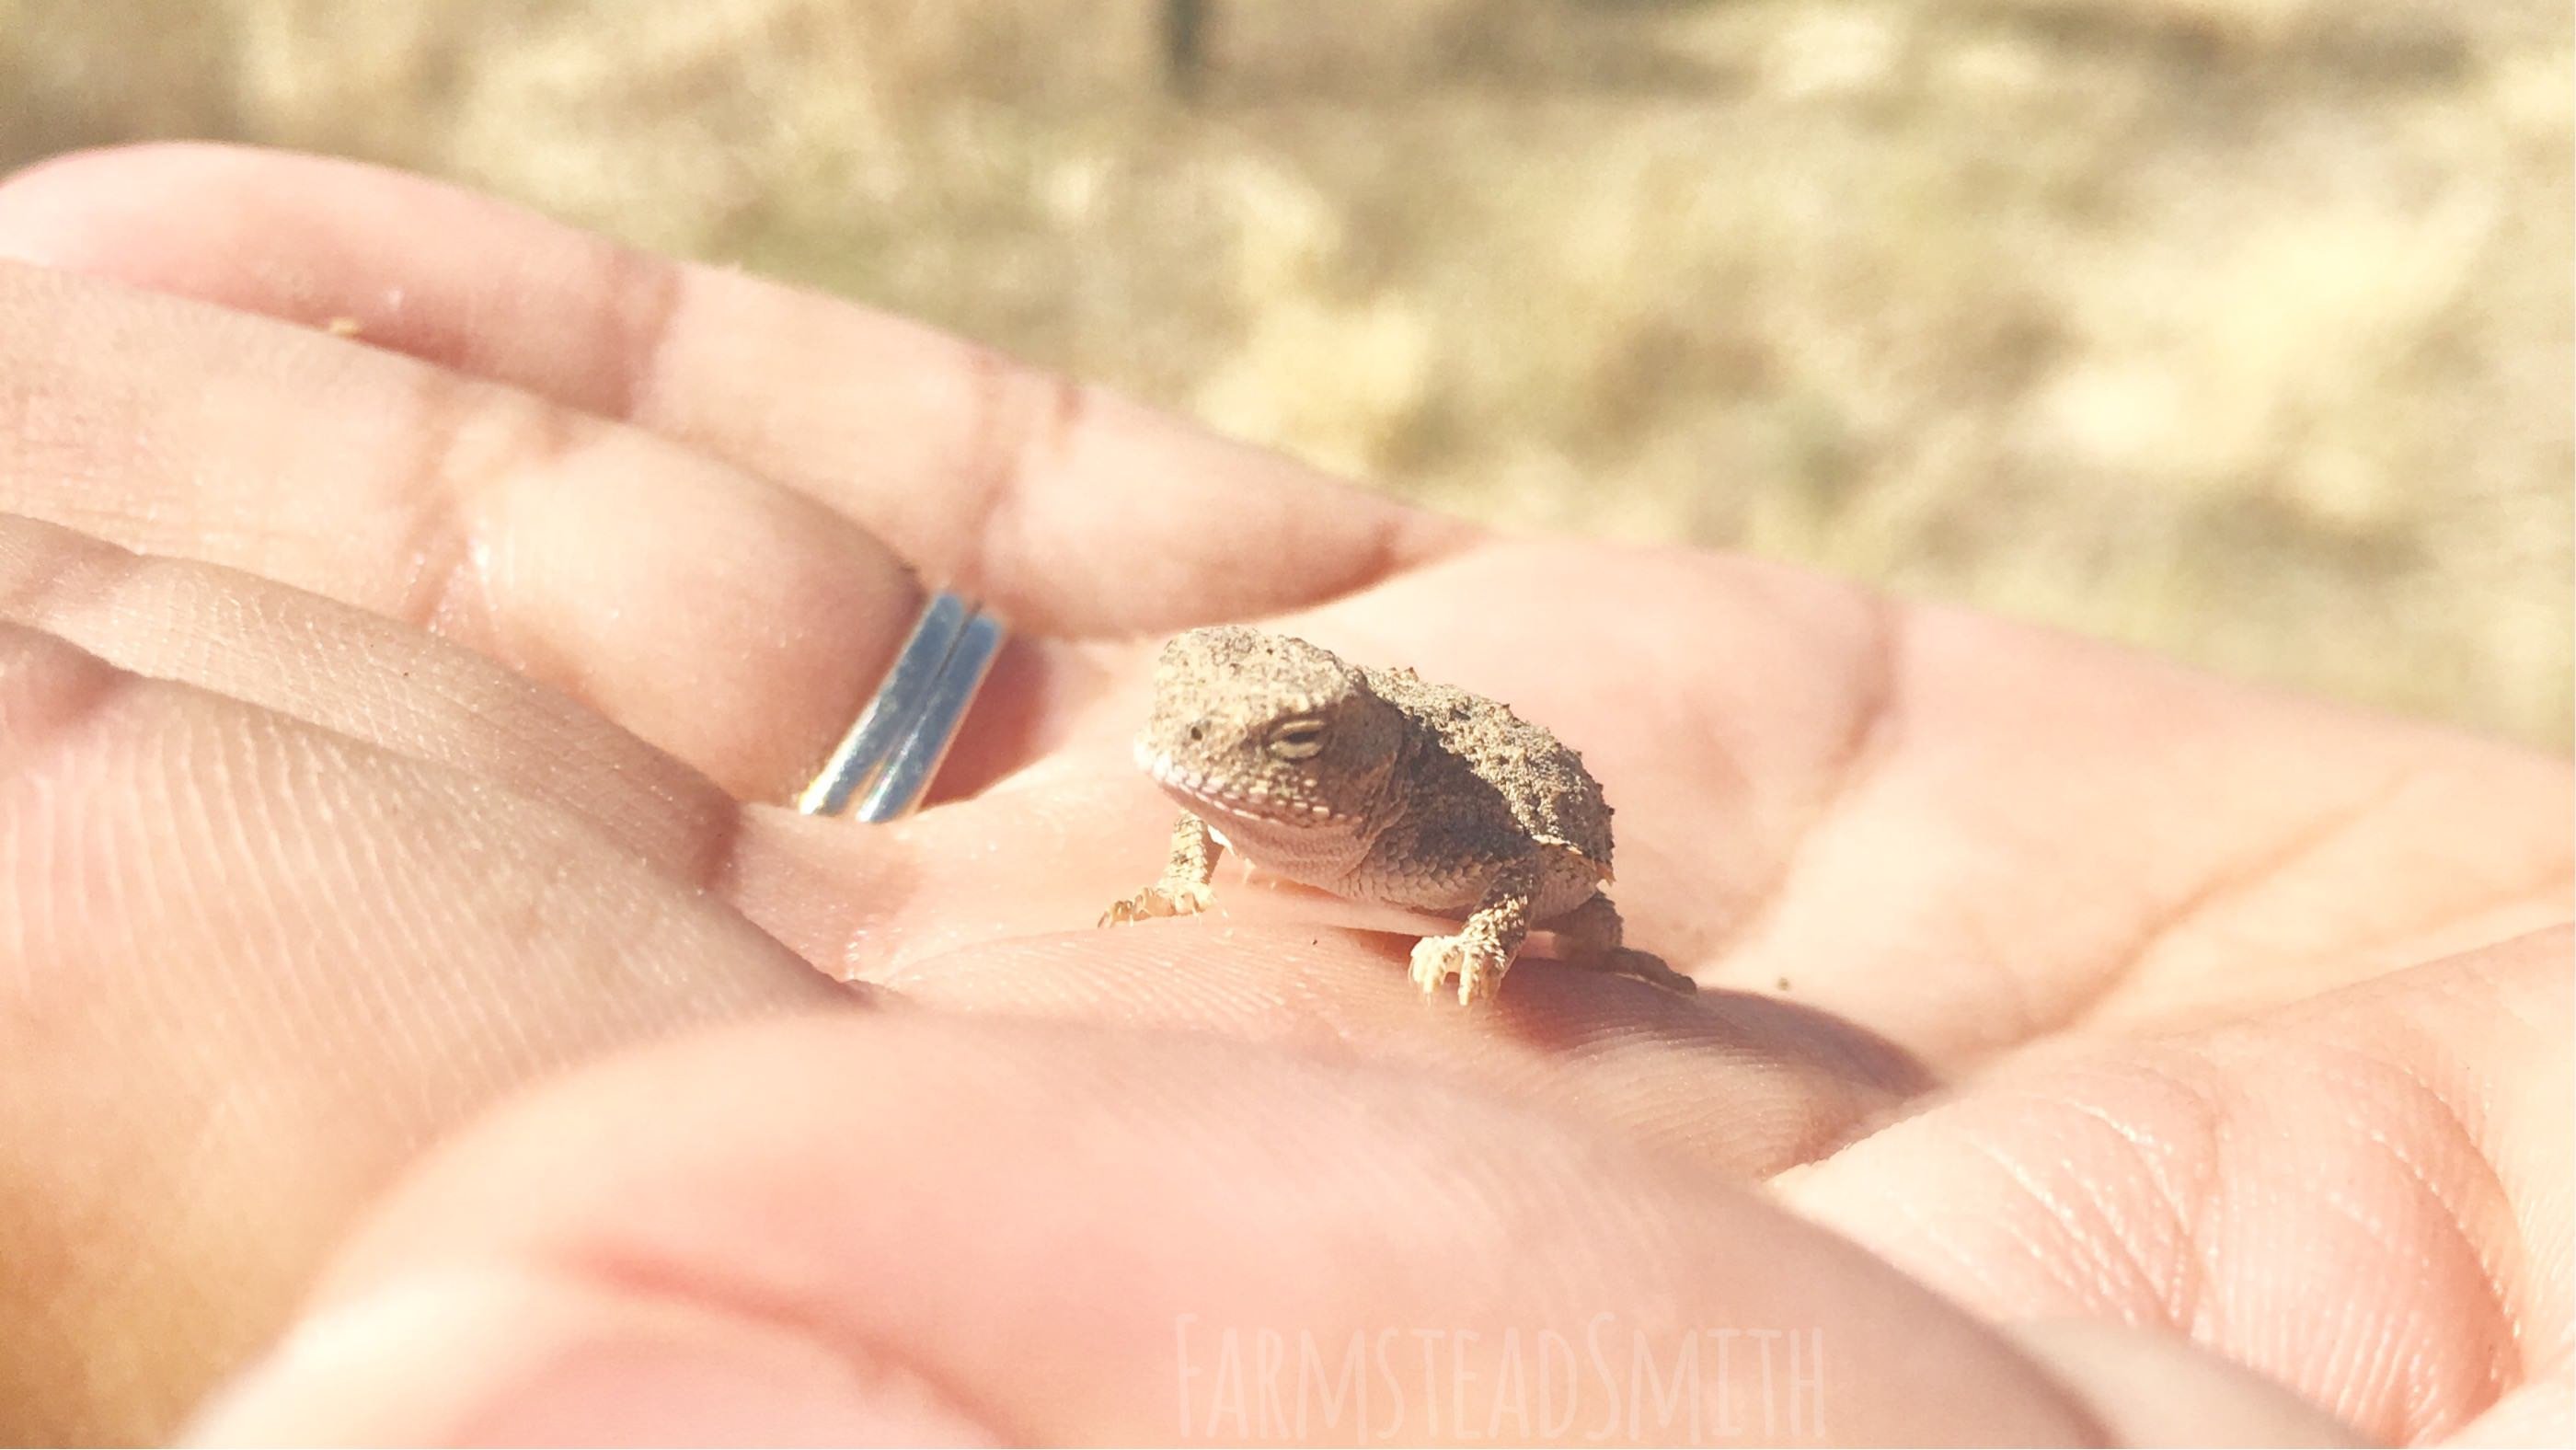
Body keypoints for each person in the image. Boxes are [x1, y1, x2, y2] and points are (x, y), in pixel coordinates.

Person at [0, 143, 2562, 1446]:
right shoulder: (1231, 773)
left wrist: (1506, 933)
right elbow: (1200, 782)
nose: (1181, 773)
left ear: (1322, 753)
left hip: (1499, 862)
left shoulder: (1438, 827)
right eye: (1192, 757)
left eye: (1239, 762)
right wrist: (1206, 852)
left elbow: (1534, 857)